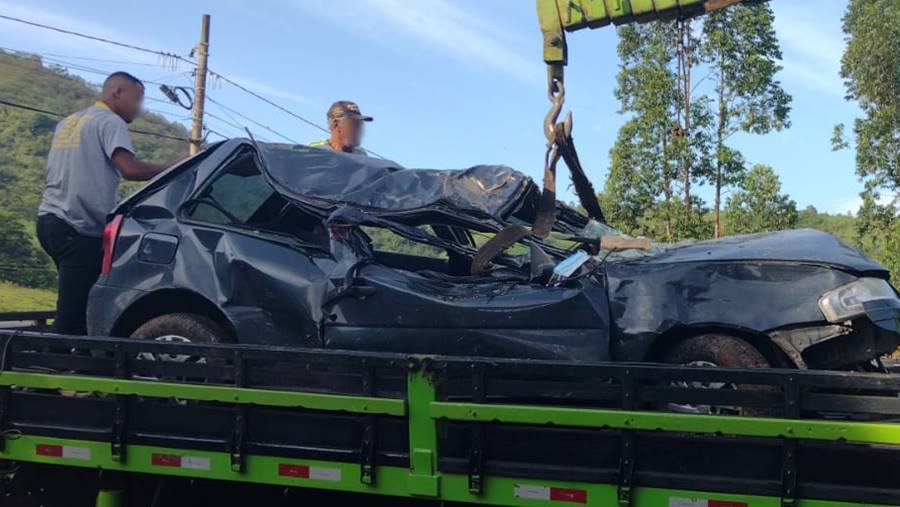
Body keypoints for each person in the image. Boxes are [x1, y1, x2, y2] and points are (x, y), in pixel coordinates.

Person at [36, 71, 180, 335]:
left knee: (76, 302)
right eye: (137, 100)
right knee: (75, 313)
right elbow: (130, 169)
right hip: (77, 225)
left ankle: (71, 359)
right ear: (117, 93)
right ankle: (60, 366)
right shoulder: (110, 122)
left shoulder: (70, 121)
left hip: (49, 220)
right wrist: (174, 167)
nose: (139, 108)